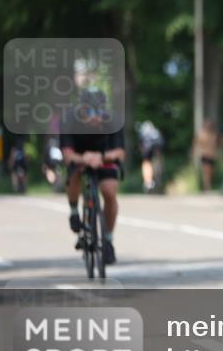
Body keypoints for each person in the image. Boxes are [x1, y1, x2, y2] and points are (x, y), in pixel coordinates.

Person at [61, 89, 126, 265]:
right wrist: (84, 159)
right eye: (88, 112)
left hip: (104, 157)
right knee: (74, 175)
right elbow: (67, 155)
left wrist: (101, 158)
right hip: (80, 157)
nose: (94, 117)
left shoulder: (112, 120)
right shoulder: (69, 120)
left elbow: (120, 152)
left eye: (99, 112)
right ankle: (74, 211)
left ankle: (108, 240)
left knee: (110, 192)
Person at [137, 120, 164, 193]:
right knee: (150, 162)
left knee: (146, 163)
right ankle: (151, 180)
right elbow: (160, 145)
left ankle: (148, 181)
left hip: (151, 150)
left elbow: (141, 146)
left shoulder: (143, 133)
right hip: (153, 150)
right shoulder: (156, 132)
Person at [193, 119, 218, 191]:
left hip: (211, 155)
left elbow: (215, 145)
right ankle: (207, 186)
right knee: (206, 171)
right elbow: (196, 144)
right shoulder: (201, 134)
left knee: (210, 172)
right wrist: (195, 153)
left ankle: (207, 185)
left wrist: (216, 153)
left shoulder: (213, 134)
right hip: (204, 155)